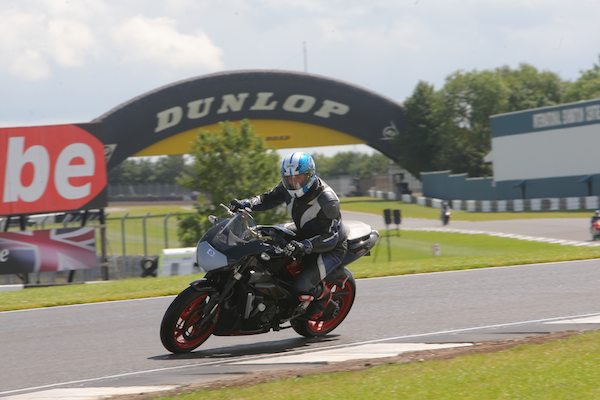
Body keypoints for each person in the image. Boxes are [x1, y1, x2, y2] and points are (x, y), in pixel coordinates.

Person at [229, 152, 347, 319]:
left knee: (301, 285)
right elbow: (266, 199)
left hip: (330, 248)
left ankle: (324, 299)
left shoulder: (327, 200)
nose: (293, 182)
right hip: (302, 234)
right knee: (264, 239)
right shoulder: (286, 188)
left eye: (298, 177)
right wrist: (246, 203)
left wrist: (305, 245)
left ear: (310, 175)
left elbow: (331, 237)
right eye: (289, 178)